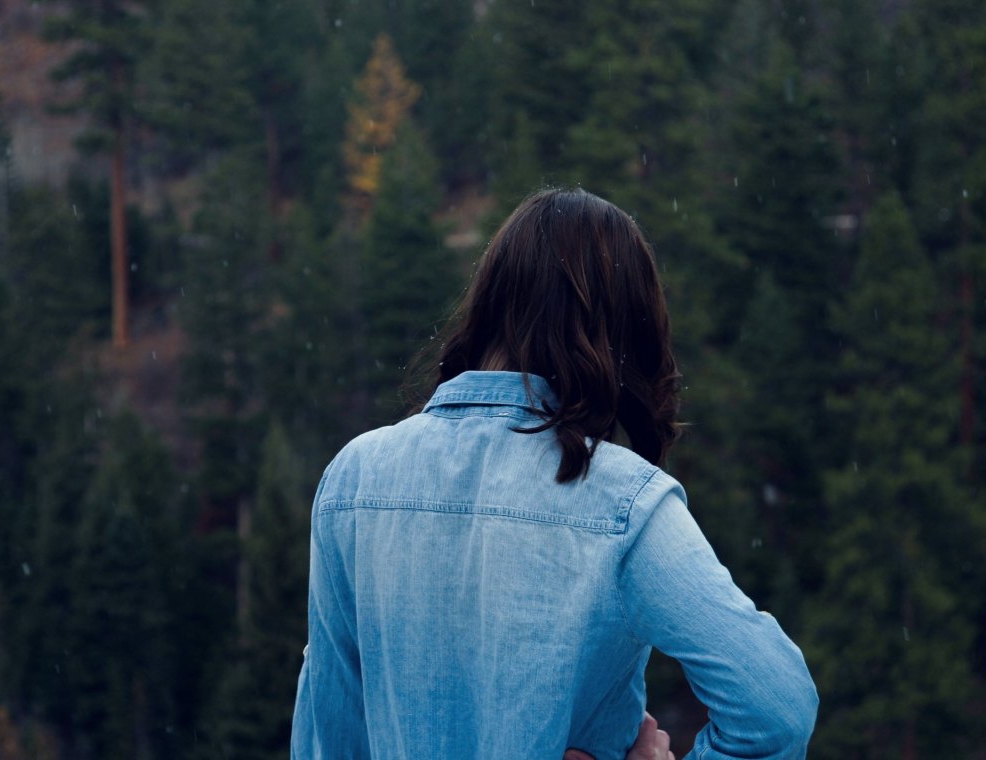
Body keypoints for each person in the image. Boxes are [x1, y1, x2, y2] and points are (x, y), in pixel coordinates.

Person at [291, 188, 818, 759]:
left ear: (491, 301)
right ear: (627, 334)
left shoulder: (354, 478)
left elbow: (326, 735)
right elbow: (776, 710)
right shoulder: (625, 505)